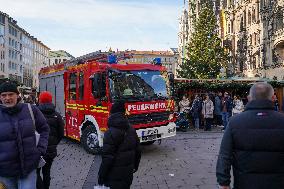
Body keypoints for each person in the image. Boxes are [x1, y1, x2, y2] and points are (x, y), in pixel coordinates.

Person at [216, 82, 284, 189]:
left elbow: (225, 155)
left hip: (245, 183)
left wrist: (223, 182)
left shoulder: (235, 122)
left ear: (249, 98)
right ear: (273, 98)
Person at [0, 81, 49, 189]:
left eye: (11, 94)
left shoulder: (31, 109)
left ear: (17, 95)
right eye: (4, 95)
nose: (7, 98)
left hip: (28, 168)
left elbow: (44, 129)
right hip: (5, 171)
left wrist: (40, 149)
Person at [98, 100, 141, 189]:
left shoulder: (109, 133)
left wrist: (101, 176)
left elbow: (107, 158)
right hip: (128, 175)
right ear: (123, 112)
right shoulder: (132, 129)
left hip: (113, 177)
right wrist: (135, 166)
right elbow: (138, 151)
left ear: (112, 113)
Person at [36, 91, 64, 189]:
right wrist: (54, 144)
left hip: (38, 150)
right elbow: (61, 134)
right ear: (51, 100)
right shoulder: (57, 115)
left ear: (40, 100)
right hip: (51, 151)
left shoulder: (35, 113)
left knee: (36, 173)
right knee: (47, 172)